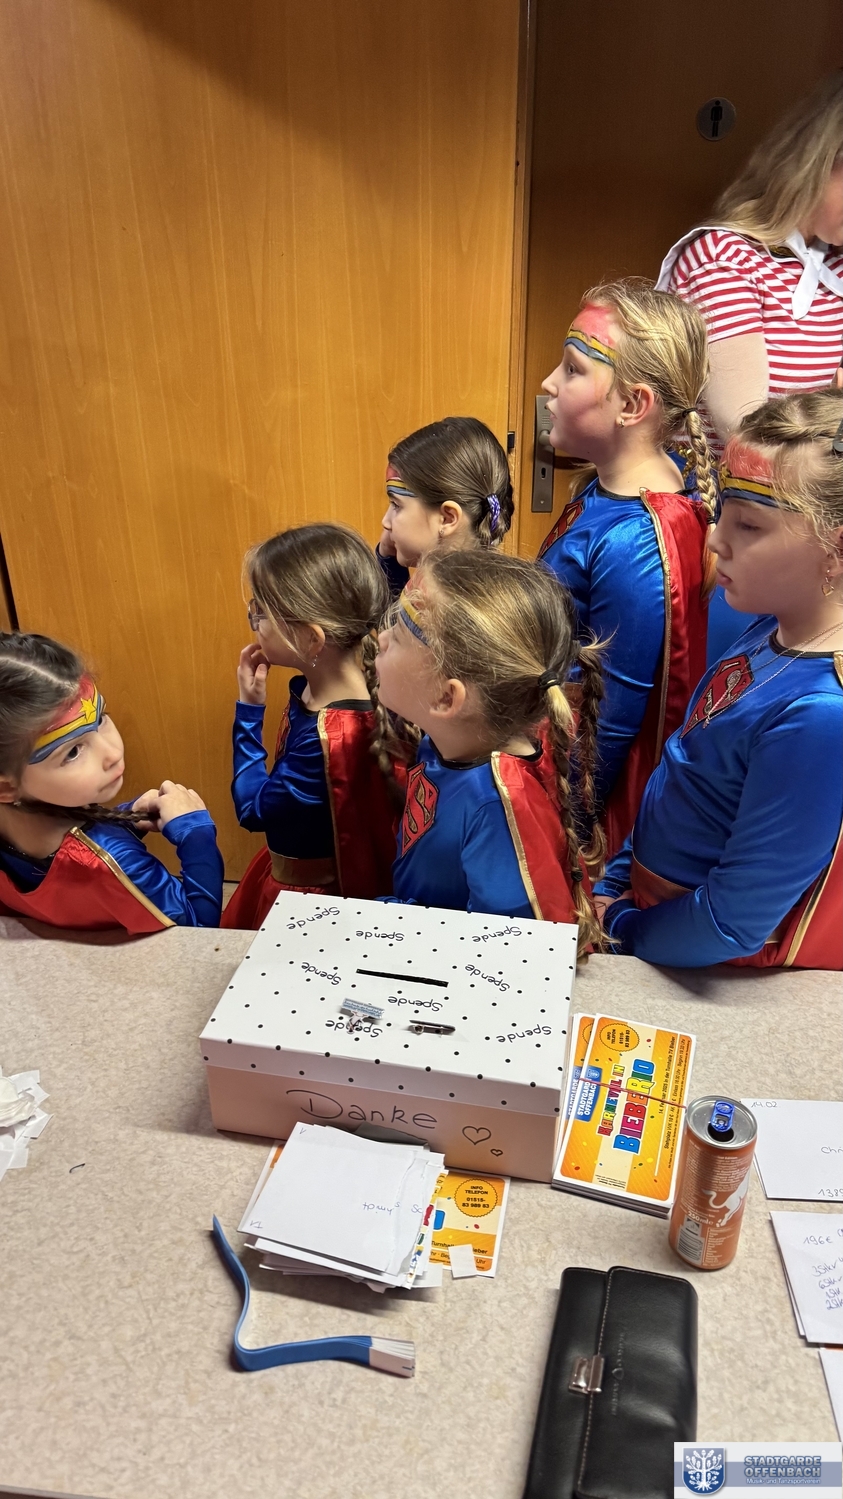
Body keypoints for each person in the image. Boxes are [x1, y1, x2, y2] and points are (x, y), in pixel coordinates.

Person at [596, 390, 843, 970]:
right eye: (722, 513)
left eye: (749, 525)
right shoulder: (768, 627)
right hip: (653, 915)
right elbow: (681, 765)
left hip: (698, 959)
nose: (714, 540)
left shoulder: (821, 712)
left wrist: (623, 927)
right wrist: (618, 876)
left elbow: (733, 923)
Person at [657, 72, 843, 661]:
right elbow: (750, 433)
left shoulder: (836, 267)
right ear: (819, 163)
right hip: (735, 529)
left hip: (816, 538)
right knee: (733, 689)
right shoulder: (723, 258)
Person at [539, 278, 716, 857]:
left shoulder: (635, 538)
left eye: (572, 369)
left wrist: (560, 828)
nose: (549, 383)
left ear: (633, 405)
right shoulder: (606, 491)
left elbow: (610, 721)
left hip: (579, 807)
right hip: (545, 744)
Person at [374, 549, 605, 956]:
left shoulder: (496, 807)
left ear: (446, 698)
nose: (381, 638)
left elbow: (505, 955)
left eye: (401, 634)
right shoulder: (447, 741)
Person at [222, 523, 410, 929]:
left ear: (311, 640)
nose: (254, 620)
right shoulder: (322, 693)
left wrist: (249, 711)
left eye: (261, 612)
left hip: (308, 901)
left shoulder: (329, 738)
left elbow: (253, 810)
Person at [0, 633, 224, 932]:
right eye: (73, 751)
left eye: (101, 718)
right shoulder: (116, 861)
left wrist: (124, 820)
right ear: (5, 787)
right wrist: (195, 832)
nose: (113, 753)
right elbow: (196, 932)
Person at [376, 416, 514, 595]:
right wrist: (389, 562)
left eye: (396, 505)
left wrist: (386, 567)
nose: (385, 522)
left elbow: (395, 615)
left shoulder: (433, 605)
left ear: (447, 518)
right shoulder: (479, 595)